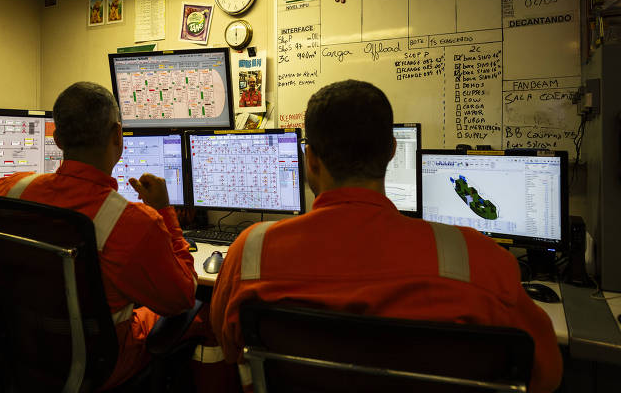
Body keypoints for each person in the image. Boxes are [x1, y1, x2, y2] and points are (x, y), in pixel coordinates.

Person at [210, 80, 563, 393]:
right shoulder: (478, 260)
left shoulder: (251, 252)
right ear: (393, 151)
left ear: (311, 158)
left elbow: (229, 349)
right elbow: (546, 375)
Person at [0, 82, 198, 389]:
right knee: (199, 313)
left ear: (57, 138)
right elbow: (181, 299)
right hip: (104, 365)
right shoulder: (134, 222)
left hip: (24, 352)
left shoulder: (10, 189)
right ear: (117, 135)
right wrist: (163, 211)